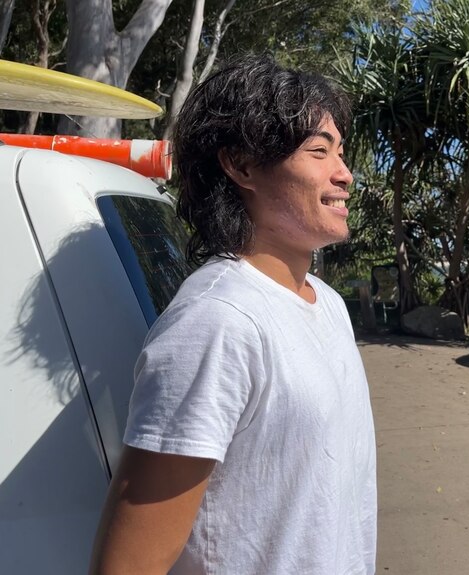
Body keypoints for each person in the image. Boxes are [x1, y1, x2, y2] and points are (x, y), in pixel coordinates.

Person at [89, 53, 377, 574]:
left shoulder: (326, 303)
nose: (345, 175)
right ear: (241, 165)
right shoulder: (218, 321)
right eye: (319, 152)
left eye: (341, 152)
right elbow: (128, 566)